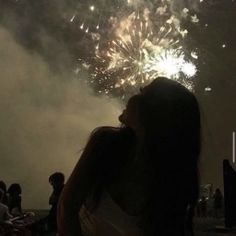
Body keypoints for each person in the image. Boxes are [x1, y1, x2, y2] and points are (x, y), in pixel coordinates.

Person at [58, 77, 201, 236]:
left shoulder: (171, 184)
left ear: (155, 112)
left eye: (142, 93)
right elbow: (67, 207)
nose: (132, 97)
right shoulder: (105, 144)